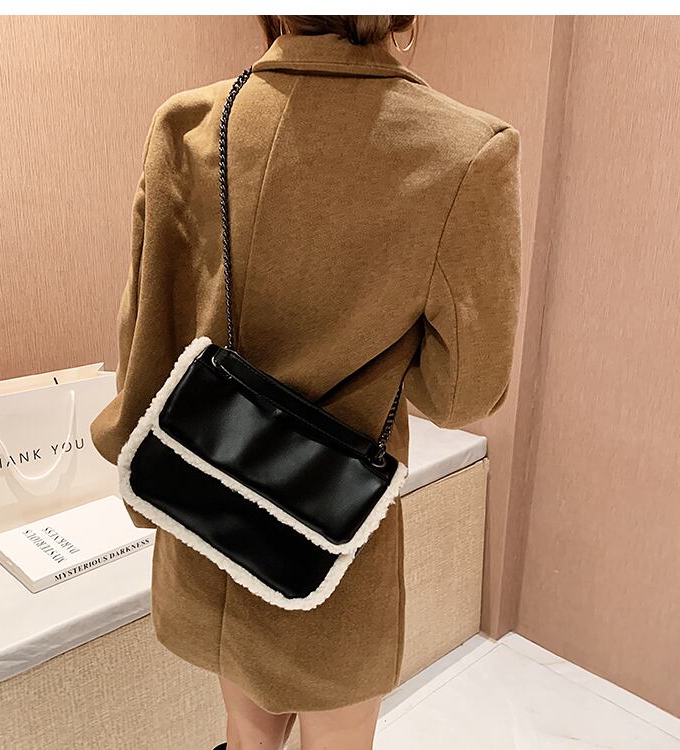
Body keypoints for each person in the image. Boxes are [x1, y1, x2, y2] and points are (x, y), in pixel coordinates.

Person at [91, 14, 521, 750]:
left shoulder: (190, 125)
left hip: (207, 508)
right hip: (327, 539)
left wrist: (140, 479)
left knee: (245, 733)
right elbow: (464, 395)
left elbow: (146, 345)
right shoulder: (467, 151)